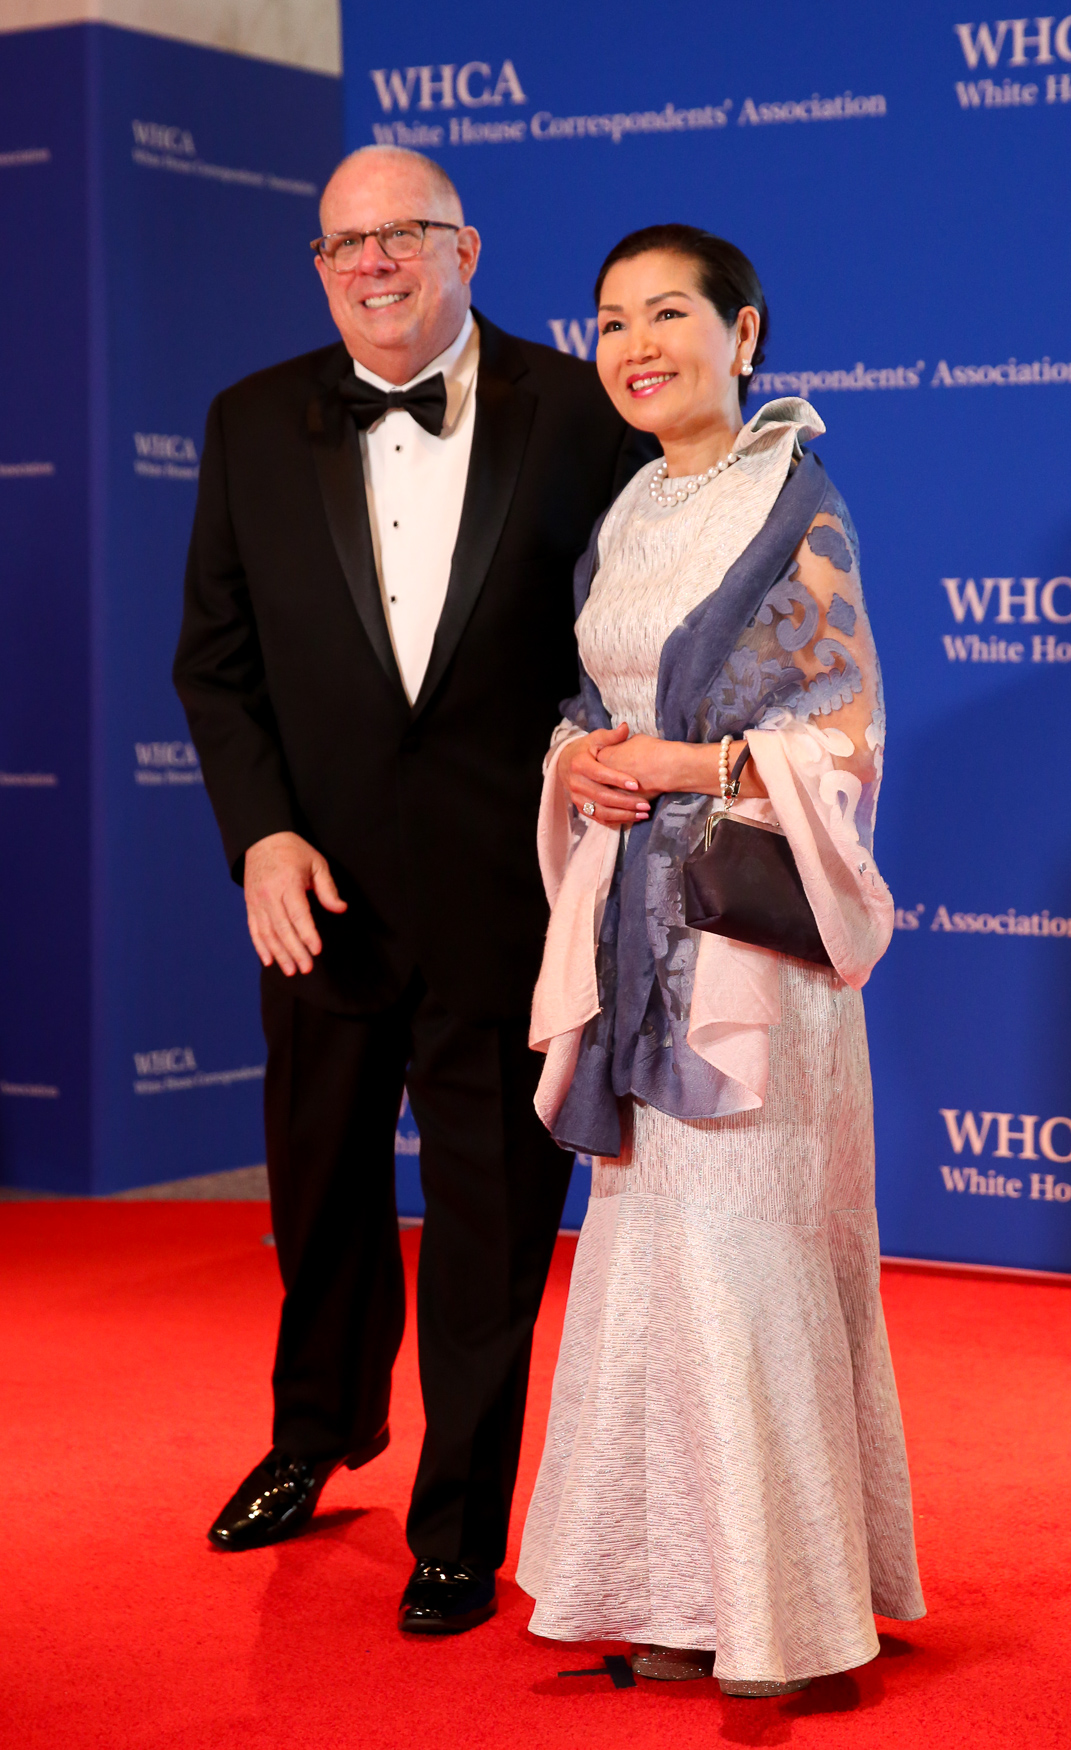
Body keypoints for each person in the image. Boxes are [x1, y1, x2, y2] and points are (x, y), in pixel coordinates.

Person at [173, 147, 653, 1634]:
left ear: (469, 248)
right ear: (320, 266)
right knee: (318, 1193)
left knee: (495, 1218)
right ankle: (315, 1436)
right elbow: (218, 661)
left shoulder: (578, 413)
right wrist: (258, 834)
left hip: (510, 894)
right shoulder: (251, 420)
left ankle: (458, 1515)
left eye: (404, 236)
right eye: (344, 244)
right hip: (315, 894)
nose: (374, 263)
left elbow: (634, 634)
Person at [516, 225, 925, 1695]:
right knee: (652, 1258)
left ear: (741, 332)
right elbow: (586, 699)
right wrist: (581, 767)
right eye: (614, 318)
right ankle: (683, 1591)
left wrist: (687, 760)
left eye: (670, 313)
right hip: (638, 924)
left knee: (745, 1250)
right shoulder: (631, 507)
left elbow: (848, 732)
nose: (636, 343)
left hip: (746, 945)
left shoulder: (791, 500)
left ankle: (791, 1624)